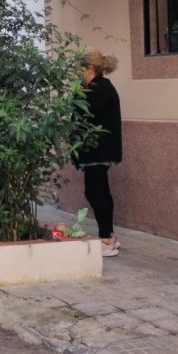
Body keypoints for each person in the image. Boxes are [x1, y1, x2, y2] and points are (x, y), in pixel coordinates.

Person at [74, 49, 123, 258]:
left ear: (90, 69)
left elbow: (81, 112)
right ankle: (109, 236)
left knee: (94, 192)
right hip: (101, 150)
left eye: (80, 70)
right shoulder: (102, 86)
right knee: (102, 191)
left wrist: (77, 93)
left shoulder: (97, 89)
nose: (78, 74)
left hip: (97, 150)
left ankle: (106, 239)